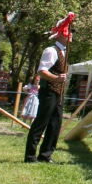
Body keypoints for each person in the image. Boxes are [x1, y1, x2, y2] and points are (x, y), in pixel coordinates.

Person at [24, 16, 73, 163]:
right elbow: (41, 71)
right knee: (41, 123)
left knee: (55, 125)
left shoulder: (63, 52)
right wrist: (56, 78)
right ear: (62, 34)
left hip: (58, 93)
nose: (71, 35)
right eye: (69, 32)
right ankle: (30, 156)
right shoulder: (51, 51)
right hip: (49, 92)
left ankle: (45, 154)